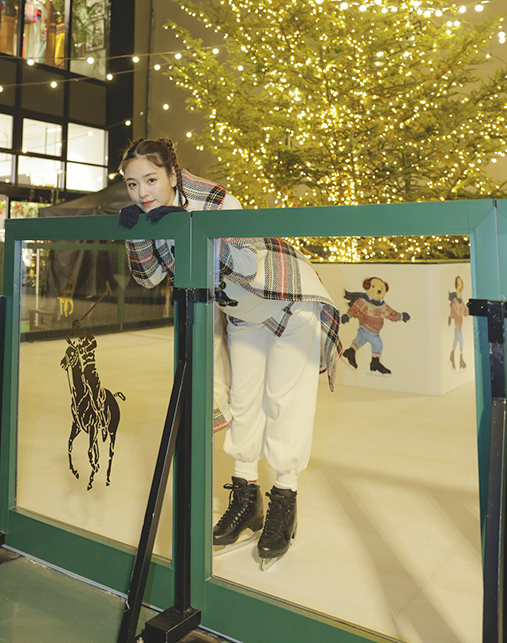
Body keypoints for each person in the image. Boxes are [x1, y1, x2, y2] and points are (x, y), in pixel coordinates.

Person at [118, 137, 341, 564]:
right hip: (242, 312)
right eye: (132, 184)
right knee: (244, 401)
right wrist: (143, 232)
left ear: (172, 174)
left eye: (150, 179)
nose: (142, 192)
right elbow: (147, 278)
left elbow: (248, 264)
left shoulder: (215, 200)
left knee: (282, 400)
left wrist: (185, 226)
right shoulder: (151, 213)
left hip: (287, 300)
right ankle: (246, 499)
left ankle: (284, 500)